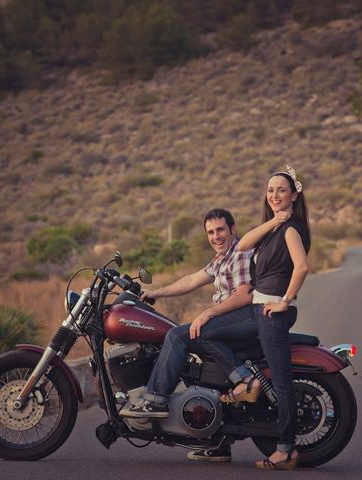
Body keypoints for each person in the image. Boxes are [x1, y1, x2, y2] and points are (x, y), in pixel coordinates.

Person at [121, 208, 258, 463]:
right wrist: (157, 292)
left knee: (177, 335)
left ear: (233, 229)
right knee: (196, 343)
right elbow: (192, 279)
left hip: (245, 317)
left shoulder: (238, 253)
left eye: (220, 230)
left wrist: (208, 313)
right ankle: (216, 441)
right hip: (234, 320)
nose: (215, 236)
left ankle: (155, 401)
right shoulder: (222, 258)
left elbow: (244, 294)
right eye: (210, 232)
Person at [236, 164, 310, 471]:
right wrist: (273, 221)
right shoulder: (275, 228)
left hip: (272, 311)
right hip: (258, 308)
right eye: (270, 190)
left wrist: (285, 301)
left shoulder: (291, 229)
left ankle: (285, 449)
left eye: (281, 190)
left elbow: (302, 267)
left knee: (281, 379)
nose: (274, 195)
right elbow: (241, 245)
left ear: (293, 195)